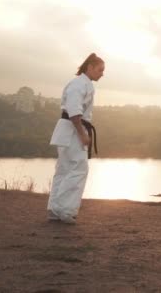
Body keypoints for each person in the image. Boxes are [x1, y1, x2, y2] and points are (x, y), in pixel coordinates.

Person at [47, 53, 105, 224]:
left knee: (64, 169)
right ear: (90, 67)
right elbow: (74, 111)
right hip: (73, 129)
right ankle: (64, 210)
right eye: (100, 70)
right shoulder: (79, 84)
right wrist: (82, 133)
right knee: (79, 169)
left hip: (68, 130)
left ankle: (54, 209)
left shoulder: (82, 84)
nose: (102, 73)